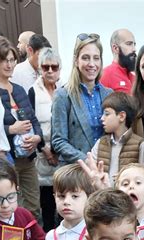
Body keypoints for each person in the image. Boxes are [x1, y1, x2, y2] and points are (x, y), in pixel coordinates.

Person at [0, 36, 43, 220]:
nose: (9, 65)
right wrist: (11, 129)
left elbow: (33, 119)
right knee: (11, 210)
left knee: (34, 206)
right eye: (4, 60)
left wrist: (38, 138)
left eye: (12, 60)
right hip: (6, 161)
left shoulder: (18, 89)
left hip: (28, 158)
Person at [51, 33, 112, 166]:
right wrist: (86, 161)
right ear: (76, 60)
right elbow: (58, 141)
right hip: (75, 172)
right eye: (85, 58)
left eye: (96, 58)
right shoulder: (62, 96)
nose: (91, 64)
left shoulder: (109, 94)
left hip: (103, 169)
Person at [28, 47, 61, 231]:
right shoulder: (33, 91)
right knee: (47, 203)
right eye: (45, 67)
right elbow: (32, 122)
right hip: (43, 153)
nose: (50, 71)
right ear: (40, 68)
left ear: (59, 69)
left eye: (54, 67)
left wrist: (58, 150)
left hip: (61, 153)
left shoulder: (64, 89)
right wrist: (45, 149)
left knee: (64, 199)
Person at [91, 92, 144, 185]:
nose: (102, 118)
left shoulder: (140, 145)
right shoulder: (100, 143)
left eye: (107, 114)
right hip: (102, 196)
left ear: (122, 116)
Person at [101, 29, 137, 93]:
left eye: (134, 44)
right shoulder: (105, 75)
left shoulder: (135, 78)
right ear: (115, 48)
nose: (134, 49)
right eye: (129, 44)